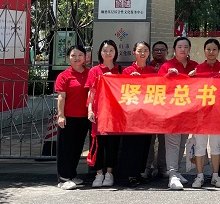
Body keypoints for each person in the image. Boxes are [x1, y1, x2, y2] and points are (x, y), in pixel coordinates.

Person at [157, 37, 199, 190]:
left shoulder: (195, 66)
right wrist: (167, 77)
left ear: (189, 49)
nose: (183, 49)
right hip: (172, 112)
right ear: (174, 49)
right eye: (180, 46)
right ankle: (172, 174)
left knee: (182, 142)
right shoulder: (167, 66)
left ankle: (177, 170)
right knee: (172, 143)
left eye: (186, 47)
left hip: (188, 111)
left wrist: (196, 77)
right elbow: (158, 87)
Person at [187, 38, 220, 188]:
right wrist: (190, 78)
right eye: (208, 49)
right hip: (201, 114)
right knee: (200, 145)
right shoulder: (198, 69)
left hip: (217, 114)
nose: (211, 52)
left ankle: (216, 176)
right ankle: (199, 176)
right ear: (204, 51)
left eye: (214, 49)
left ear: (218, 51)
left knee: (216, 146)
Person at [119, 41, 156, 187]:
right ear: (133, 52)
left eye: (145, 50)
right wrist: (131, 80)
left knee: (145, 145)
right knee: (131, 145)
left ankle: (139, 172)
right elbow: (122, 91)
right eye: (139, 50)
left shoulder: (152, 71)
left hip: (147, 114)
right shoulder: (127, 71)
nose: (143, 53)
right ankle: (130, 175)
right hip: (132, 115)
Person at [86, 39, 122, 188]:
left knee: (113, 145)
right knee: (98, 144)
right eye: (105, 50)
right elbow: (91, 92)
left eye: (111, 50)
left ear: (115, 52)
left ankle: (109, 173)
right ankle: (99, 173)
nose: (108, 53)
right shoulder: (94, 70)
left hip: (115, 115)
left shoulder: (120, 70)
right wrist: (90, 109)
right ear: (100, 53)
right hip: (98, 113)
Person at [55, 45, 90, 190]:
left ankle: (72, 174)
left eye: (80, 55)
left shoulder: (90, 73)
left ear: (85, 57)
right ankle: (63, 178)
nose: (77, 58)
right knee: (65, 149)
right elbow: (61, 97)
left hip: (84, 117)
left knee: (77, 148)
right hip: (68, 117)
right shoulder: (64, 76)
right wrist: (61, 116)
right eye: (73, 55)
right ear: (68, 57)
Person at [145, 40, 169, 178]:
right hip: (149, 109)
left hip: (166, 109)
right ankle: (147, 167)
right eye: (156, 50)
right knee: (149, 140)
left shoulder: (171, 67)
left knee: (164, 141)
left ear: (167, 52)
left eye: (162, 49)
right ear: (152, 53)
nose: (159, 52)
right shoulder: (147, 67)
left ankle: (162, 167)